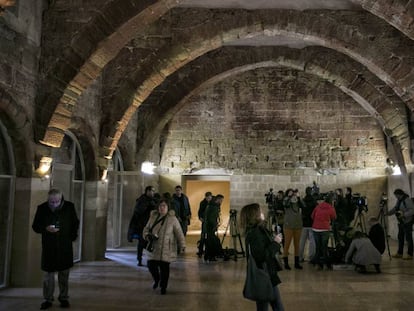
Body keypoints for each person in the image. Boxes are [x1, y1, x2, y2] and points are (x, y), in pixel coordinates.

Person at [32, 189, 80, 310]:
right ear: (48, 199)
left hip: (64, 245)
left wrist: (73, 236)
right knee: (48, 275)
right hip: (49, 246)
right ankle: (47, 299)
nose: (54, 204)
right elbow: (35, 226)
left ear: (61, 199)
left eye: (56, 201)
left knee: (64, 274)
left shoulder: (69, 207)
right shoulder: (42, 208)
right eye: (51, 202)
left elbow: (75, 223)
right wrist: (45, 228)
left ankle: (63, 298)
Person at [239, 203, 284, 311]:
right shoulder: (255, 233)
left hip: (266, 272)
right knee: (275, 305)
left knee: (265, 303)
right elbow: (262, 256)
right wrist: (276, 243)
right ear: (254, 215)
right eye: (260, 211)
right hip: (264, 273)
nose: (262, 212)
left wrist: (273, 239)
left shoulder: (258, 229)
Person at [143, 199, 186, 295]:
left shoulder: (173, 219)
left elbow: (179, 232)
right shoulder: (153, 217)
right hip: (154, 247)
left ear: (168, 207)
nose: (162, 208)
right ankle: (157, 279)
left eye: (164, 206)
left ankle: (163, 287)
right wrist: (146, 235)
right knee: (151, 265)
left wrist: (182, 244)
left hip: (166, 248)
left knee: (164, 269)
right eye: (160, 206)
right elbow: (146, 228)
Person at [127, 185, 157, 266]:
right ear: (147, 191)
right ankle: (139, 259)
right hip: (142, 226)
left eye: (153, 191)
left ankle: (149, 260)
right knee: (141, 243)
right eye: (151, 191)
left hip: (150, 225)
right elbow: (138, 211)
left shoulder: (152, 200)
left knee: (149, 243)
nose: (153, 192)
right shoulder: (142, 200)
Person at [383, 188, 414, 259]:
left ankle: (410, 254)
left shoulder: (407, 200)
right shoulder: (399, 200)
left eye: (396, 195)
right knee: (400, 238)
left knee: (408, 238)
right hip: (401, 222)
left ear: (400, 194)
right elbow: (396, 208)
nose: (396, 197)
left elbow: (412, 210)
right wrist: (388, 213)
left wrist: (404, 215)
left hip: (407, 221)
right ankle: (400, 253)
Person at [311, 193, 336, 270]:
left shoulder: (318, 206)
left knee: (318, 247)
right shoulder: (331, 208)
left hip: (315, 228)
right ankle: (325, 264)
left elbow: (312, 216)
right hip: (325, 229)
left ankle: (317, 265)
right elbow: (334, 217)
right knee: (324, 247)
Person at [282, 189, 304, 270]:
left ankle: (296, 263)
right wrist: (289, 196)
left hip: (298, 225)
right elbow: (286, 204)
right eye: (290, 192)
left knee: (297, 245)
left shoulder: (297, 201)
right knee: (287, 244)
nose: (293, 194)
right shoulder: (286, 200)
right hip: (288, 225)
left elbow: (304, 206)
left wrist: (298, 197)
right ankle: (286, 263)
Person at [204, 194, 224, 262]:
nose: (221, 202)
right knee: (211, 241)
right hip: (210, 226)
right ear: (217, 199)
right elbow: (211, 218)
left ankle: (208, 255)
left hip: (209, 226)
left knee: (211, 241)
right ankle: (211, 256)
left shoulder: (211, 205)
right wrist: (215, 225)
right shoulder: (213, 206)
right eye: (221, 200)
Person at [299, 186, 316, 262]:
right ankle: (311, 257)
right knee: (312, 241)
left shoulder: (303, 200)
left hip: (304, 223)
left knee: (302, 241)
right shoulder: (314, 201)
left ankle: (300, 257)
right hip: (312, 223)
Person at [197, 191, 213, 257]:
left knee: (210, 236)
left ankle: (209, 250)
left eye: (210, 198)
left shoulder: (213, 203)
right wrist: (200, 217)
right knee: (203, 236)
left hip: (211, 222)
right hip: (205, 221)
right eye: (208, 198)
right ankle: (200, 251)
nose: (209, 199)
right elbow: (200, 211)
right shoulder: (202, 203)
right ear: (205, 197)